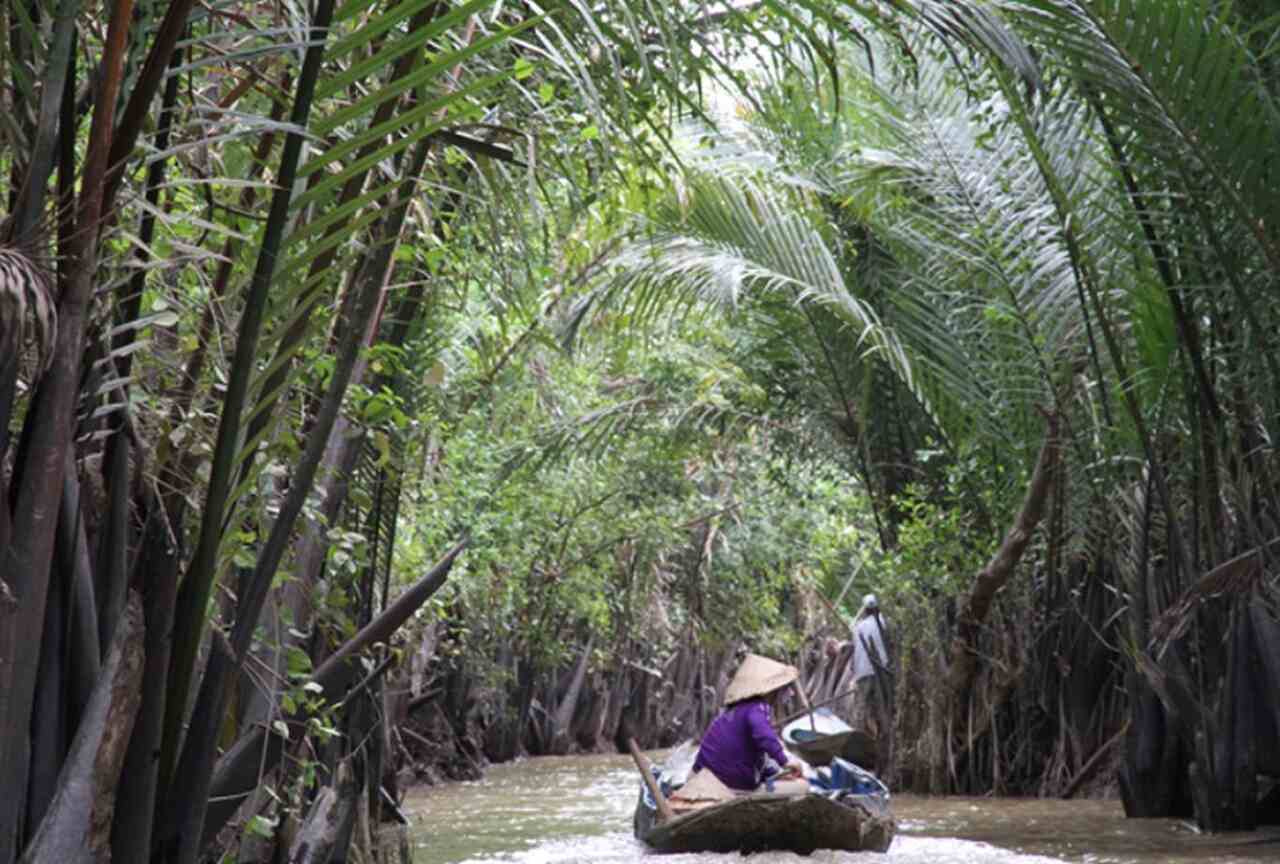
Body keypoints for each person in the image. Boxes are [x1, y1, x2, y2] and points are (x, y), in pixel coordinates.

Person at [689, 653, 807, 793]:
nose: (789, 693)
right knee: (803, 786)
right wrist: (785, 761)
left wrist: (776, 772)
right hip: (727, 785)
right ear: (772, 690)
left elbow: (755, 752)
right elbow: (763, 736)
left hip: (701, 777)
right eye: (784, 689)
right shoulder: (757, 708)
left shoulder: (733, 711)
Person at [826, 593, 888, 734]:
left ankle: (861, 734)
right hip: (882, 670)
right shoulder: (885, 622)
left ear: (865, 610)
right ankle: (882, 733)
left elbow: (855, 649)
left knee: (863, 707)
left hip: (863, 672)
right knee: (883, 704)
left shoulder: (858, 627)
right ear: (878, 607)